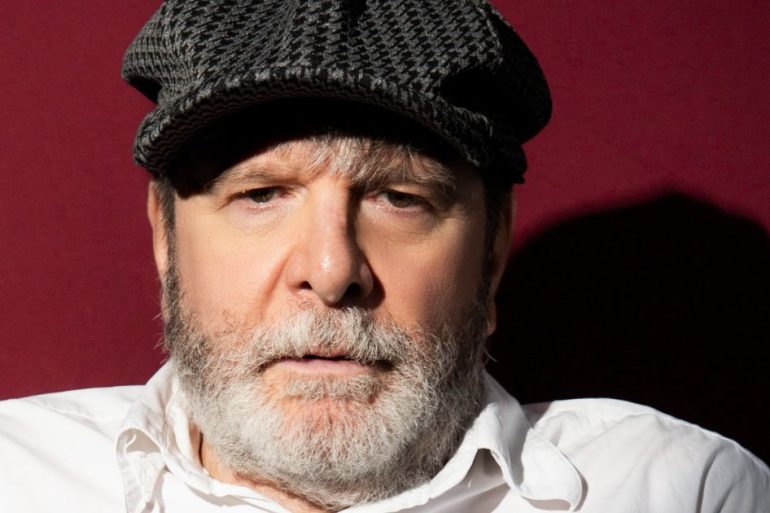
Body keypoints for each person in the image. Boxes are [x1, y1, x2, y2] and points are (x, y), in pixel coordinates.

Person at [0, 1, 767, 512]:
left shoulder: (682, 490)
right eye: (261, 194)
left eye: (400, 197)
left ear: (492, 252)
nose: (333, 270)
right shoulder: (17, 478)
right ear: (167, 241)